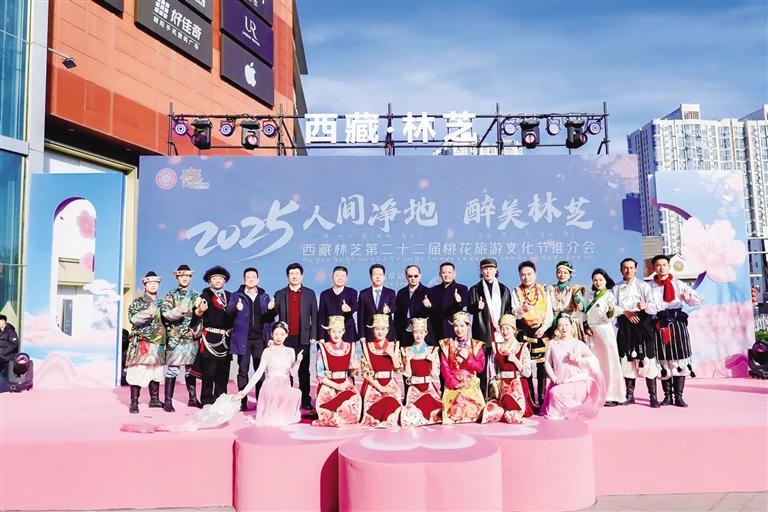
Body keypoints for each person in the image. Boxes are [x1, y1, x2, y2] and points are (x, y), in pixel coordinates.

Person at [647, 255, 703, 407]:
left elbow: (698, 300)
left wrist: (688, 296)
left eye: (664, 265)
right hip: (659, 324)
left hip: (677, 324)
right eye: (658, 265)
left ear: (668, 266)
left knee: (679, 358)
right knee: (663, 359)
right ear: (654, 268)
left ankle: (678, 396)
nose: (661, 268)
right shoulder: (649, 287)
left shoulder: (678, 284)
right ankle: (667, 396)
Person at [227, 267, 276, 411]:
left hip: (260, 339)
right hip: (243, 339)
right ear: (244, 280)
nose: (251, 279)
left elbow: (270, 318)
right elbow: (228, 313)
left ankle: (261, 400)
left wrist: (272, 309)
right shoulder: (236, 296)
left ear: (258, 280)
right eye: (248, 277)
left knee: (260, 371)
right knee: (243, 371)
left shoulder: (264, 296)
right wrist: (236, 308)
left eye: (253, 277)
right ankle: (242, 401)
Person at [235, 321, 302, 426]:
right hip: (270, 386)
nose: (279, 337)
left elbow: (292, 373)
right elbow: (258, 373)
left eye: (282, 334)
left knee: (296, 393)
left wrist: (298, 362)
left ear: (286, 335)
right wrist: (244, 391)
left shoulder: (290, 351)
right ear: (272, 334)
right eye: (276, 334)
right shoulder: (267, 351)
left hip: (285, 386)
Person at [614, 258, 660, 407]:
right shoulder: (616, 288)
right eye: (625, 268)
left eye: (631, 267)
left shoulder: (644, 286)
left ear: (636, 269)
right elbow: (612, 307)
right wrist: (625, 312)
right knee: (627, 361)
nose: (628, 270)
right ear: (621, 270)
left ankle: (653, 396)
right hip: (625, 326)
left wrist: (645, 305)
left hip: (643, 325)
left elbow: (654, 307)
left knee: (647, 360)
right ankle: (629, 395)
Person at [542, 314, 606, 421]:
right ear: (557, 328)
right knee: (554, 393)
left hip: (575, 382)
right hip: (559, 381)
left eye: (566, 325)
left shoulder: (578, 344)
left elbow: (594, 360)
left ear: (572, 326)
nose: (564, 328)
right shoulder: (552, 344)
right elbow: (547, 363)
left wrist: (578, 360)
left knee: (555, 393)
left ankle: (574, 407)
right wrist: (554, 379)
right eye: (560, 325)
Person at [274, 263, 318, 410]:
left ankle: (305, 400)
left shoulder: (310, 293)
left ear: (301, 276)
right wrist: (270, 308)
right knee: (286, 370)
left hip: (303, 337)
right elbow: (273, 315)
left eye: (297, 273)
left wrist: (313, 335)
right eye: (291, 274)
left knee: (304, 370)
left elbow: (315, 316)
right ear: (288, 276)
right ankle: (287, 400)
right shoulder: (280, 294)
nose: (294, 276)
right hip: (286, 339)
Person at [160, 264, 204, 412]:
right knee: (172, 370)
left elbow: (201, 318)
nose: (184, 278)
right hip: (175, 338)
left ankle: (192, 398)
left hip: (190, 339)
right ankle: (168, 401)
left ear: (190, 278)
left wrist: (195, 332)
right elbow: (165, 314)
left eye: (187, 276)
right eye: (181, 276)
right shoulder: (170, 295)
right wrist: (179, 311)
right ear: (177, 277)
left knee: (191, 370)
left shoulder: (196, 295)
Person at [468, 257, 513, 398]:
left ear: (496, 270)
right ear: (481, 271)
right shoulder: (474, 289)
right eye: (485, 269)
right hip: (482, 333)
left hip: (500, 333)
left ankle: (502, 396)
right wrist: (477, 306)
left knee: (501, 366)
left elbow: (508, 310)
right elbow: (469, 309)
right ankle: (481, 397)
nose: (488, 271)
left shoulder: (504, 290)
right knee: (481, 368)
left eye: (491, 269)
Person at [511, 260, 553, 409]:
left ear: (535, 275)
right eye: (523, 275)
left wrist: (545, 327)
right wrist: (522, 310)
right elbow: (515, 313)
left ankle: (542, 399)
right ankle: (529, 399)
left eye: (529, 274)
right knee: (525, 365)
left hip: (541, 331)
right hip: (524, 331)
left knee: (542, 366)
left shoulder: (544, 290)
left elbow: (549, 311)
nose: (526, 277)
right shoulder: (515, 291)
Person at [125, 271, 166, 413]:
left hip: (158, 343)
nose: (153, 285)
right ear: (145, 285)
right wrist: (149, 311)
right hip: (142, 342)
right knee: (138, 371)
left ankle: (154, 399)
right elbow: (133, 319)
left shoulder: (162, 303)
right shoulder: (138, 302)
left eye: (156, 283)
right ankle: (134, 402)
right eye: (150, 283)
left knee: (156, 371)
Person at [584, 268, 626, 407]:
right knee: (595, 364)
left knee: (609, 362)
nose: (598, 282)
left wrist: (611, 309)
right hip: (592, 332)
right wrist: (586, 326)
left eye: (600, 279)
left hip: (604, 331)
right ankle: (597, 393)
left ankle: (613, 395)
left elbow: (609, 317)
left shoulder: (609, 296)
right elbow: (584, 314)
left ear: (606, 280)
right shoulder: (590, 296)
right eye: (595, 280)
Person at [439, 311, 487, 424]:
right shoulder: (446, 344)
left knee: (476, 412)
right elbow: (444, 368)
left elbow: (480, 368)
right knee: (451, 413)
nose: (459, 329)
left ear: (468, 327)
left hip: (470, 385)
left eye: (462, 326)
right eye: (456, 326)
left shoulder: (476, 345)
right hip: (453, 386)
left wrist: (468, 358)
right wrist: (454, 383)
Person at [313, 316, 362, 427]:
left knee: (352, 402)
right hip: (328, 385)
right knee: (329, 407)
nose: (337, 334)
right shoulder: (323, 348)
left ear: (343, 331)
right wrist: (336, 386)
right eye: (333, 331)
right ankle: (332, 415)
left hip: (345, 383)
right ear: (328, 332)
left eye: (339, 331)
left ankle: (336, 417)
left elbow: (351, 374)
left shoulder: (349, 347)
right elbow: (320, 376)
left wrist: (355, 369)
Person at [485, 314, 534, 423]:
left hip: (518, 385)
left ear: (514, 330)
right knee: (491, 411)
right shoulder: (496, 347)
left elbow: (528, 373)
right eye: (502, 329)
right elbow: (492, 370)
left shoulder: (522, 347)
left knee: (511, 409)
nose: (505, 331)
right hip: (502, 385)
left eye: (507, 328)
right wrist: (495, 381)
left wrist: (515, 361)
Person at [197, 266, 236, 406]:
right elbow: (196, 314)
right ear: (209, 281)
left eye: (221, 278)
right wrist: (199, 310)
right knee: (209, 372)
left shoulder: (231, 296)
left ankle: (221, 399)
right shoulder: (204, 296)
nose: (218, 281)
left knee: (223, 372)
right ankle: (206, 400)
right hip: (210, 338)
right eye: (214, 278)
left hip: (226, 339)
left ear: (225, 281)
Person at [359, 314, 403, 427]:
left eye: (383, 329)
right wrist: (380, 388)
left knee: (392, 402)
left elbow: (398, 370)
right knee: (374, 410)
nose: (380, 332)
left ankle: (387, 420)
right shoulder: (367, 347)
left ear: (388, 330)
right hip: (373, 385)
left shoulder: (394, 346)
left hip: (390, 384)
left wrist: (392, 355)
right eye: (377, 329)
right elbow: (365, 372)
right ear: (373, 330)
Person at [400, 318, 442, 427]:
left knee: (439, 410)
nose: (418, 336)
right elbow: (407, 374)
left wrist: (433, 361)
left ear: (426, 333)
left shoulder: (432, 350)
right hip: (414, 389)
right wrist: (407, 360)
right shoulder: (406, 350)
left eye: (421, 332)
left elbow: (435, 374)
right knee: (411, 413)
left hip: (428, 388)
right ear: (412, 333)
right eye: (416, 332)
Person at [425, 262, 469, 341]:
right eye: (444, 272)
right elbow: (430, 311)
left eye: (449, 272)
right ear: (440, 274)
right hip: (435, 329)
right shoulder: (433, 290)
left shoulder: (462, 288)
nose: (447, 275)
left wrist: (459, 302)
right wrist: (428, 306)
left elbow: (464, 308)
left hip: (454, 330)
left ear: (454, 274)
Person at [546, 261, 587, 340]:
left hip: (570, 324)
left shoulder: (574, 288)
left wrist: (578, 300)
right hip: (554, 324)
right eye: (559, 272)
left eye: (565, 273)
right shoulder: (550, 288)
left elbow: (584, 307)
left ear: (570, 275)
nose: (562, 275)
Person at [394, 264, 432, 347]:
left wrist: (429, 306)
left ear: (420, 276)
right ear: (406, 277)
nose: (413, 278)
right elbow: (397, 316)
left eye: (416, 276)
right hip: (404, 333)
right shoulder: (401, 293)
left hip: (421, 334)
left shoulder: (428, 292)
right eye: (410, 276)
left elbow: (434, 314)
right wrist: (396, 335)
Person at [318, 266, 358, 343]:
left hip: (348, 332)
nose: (340, 278)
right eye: (337, 276)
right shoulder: (324, 294)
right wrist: (321, 336)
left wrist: (349, 309)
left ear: (346, 279)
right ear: (332, 277)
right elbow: (321, 316)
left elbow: (355, 306)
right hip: (329, 333)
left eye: (343, 276)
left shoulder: (352, 292)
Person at [357, 264, 396, 342]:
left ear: (384, 276)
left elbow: (395, 307)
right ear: (371, 277)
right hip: (369, 334)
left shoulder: (391, 292)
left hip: (386, 334)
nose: (378, 277)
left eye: (380, 274)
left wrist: (389, 310)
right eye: (375, 274)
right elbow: (360, 316)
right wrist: (362, 335)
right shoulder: (363, 293)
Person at [0, 314, 19, 380]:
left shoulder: (10, 332)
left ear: (3, 321)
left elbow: (14, 345)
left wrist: (2, 352)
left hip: (7, 361)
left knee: (5, 379)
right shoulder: (1, 332)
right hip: (1, 359)